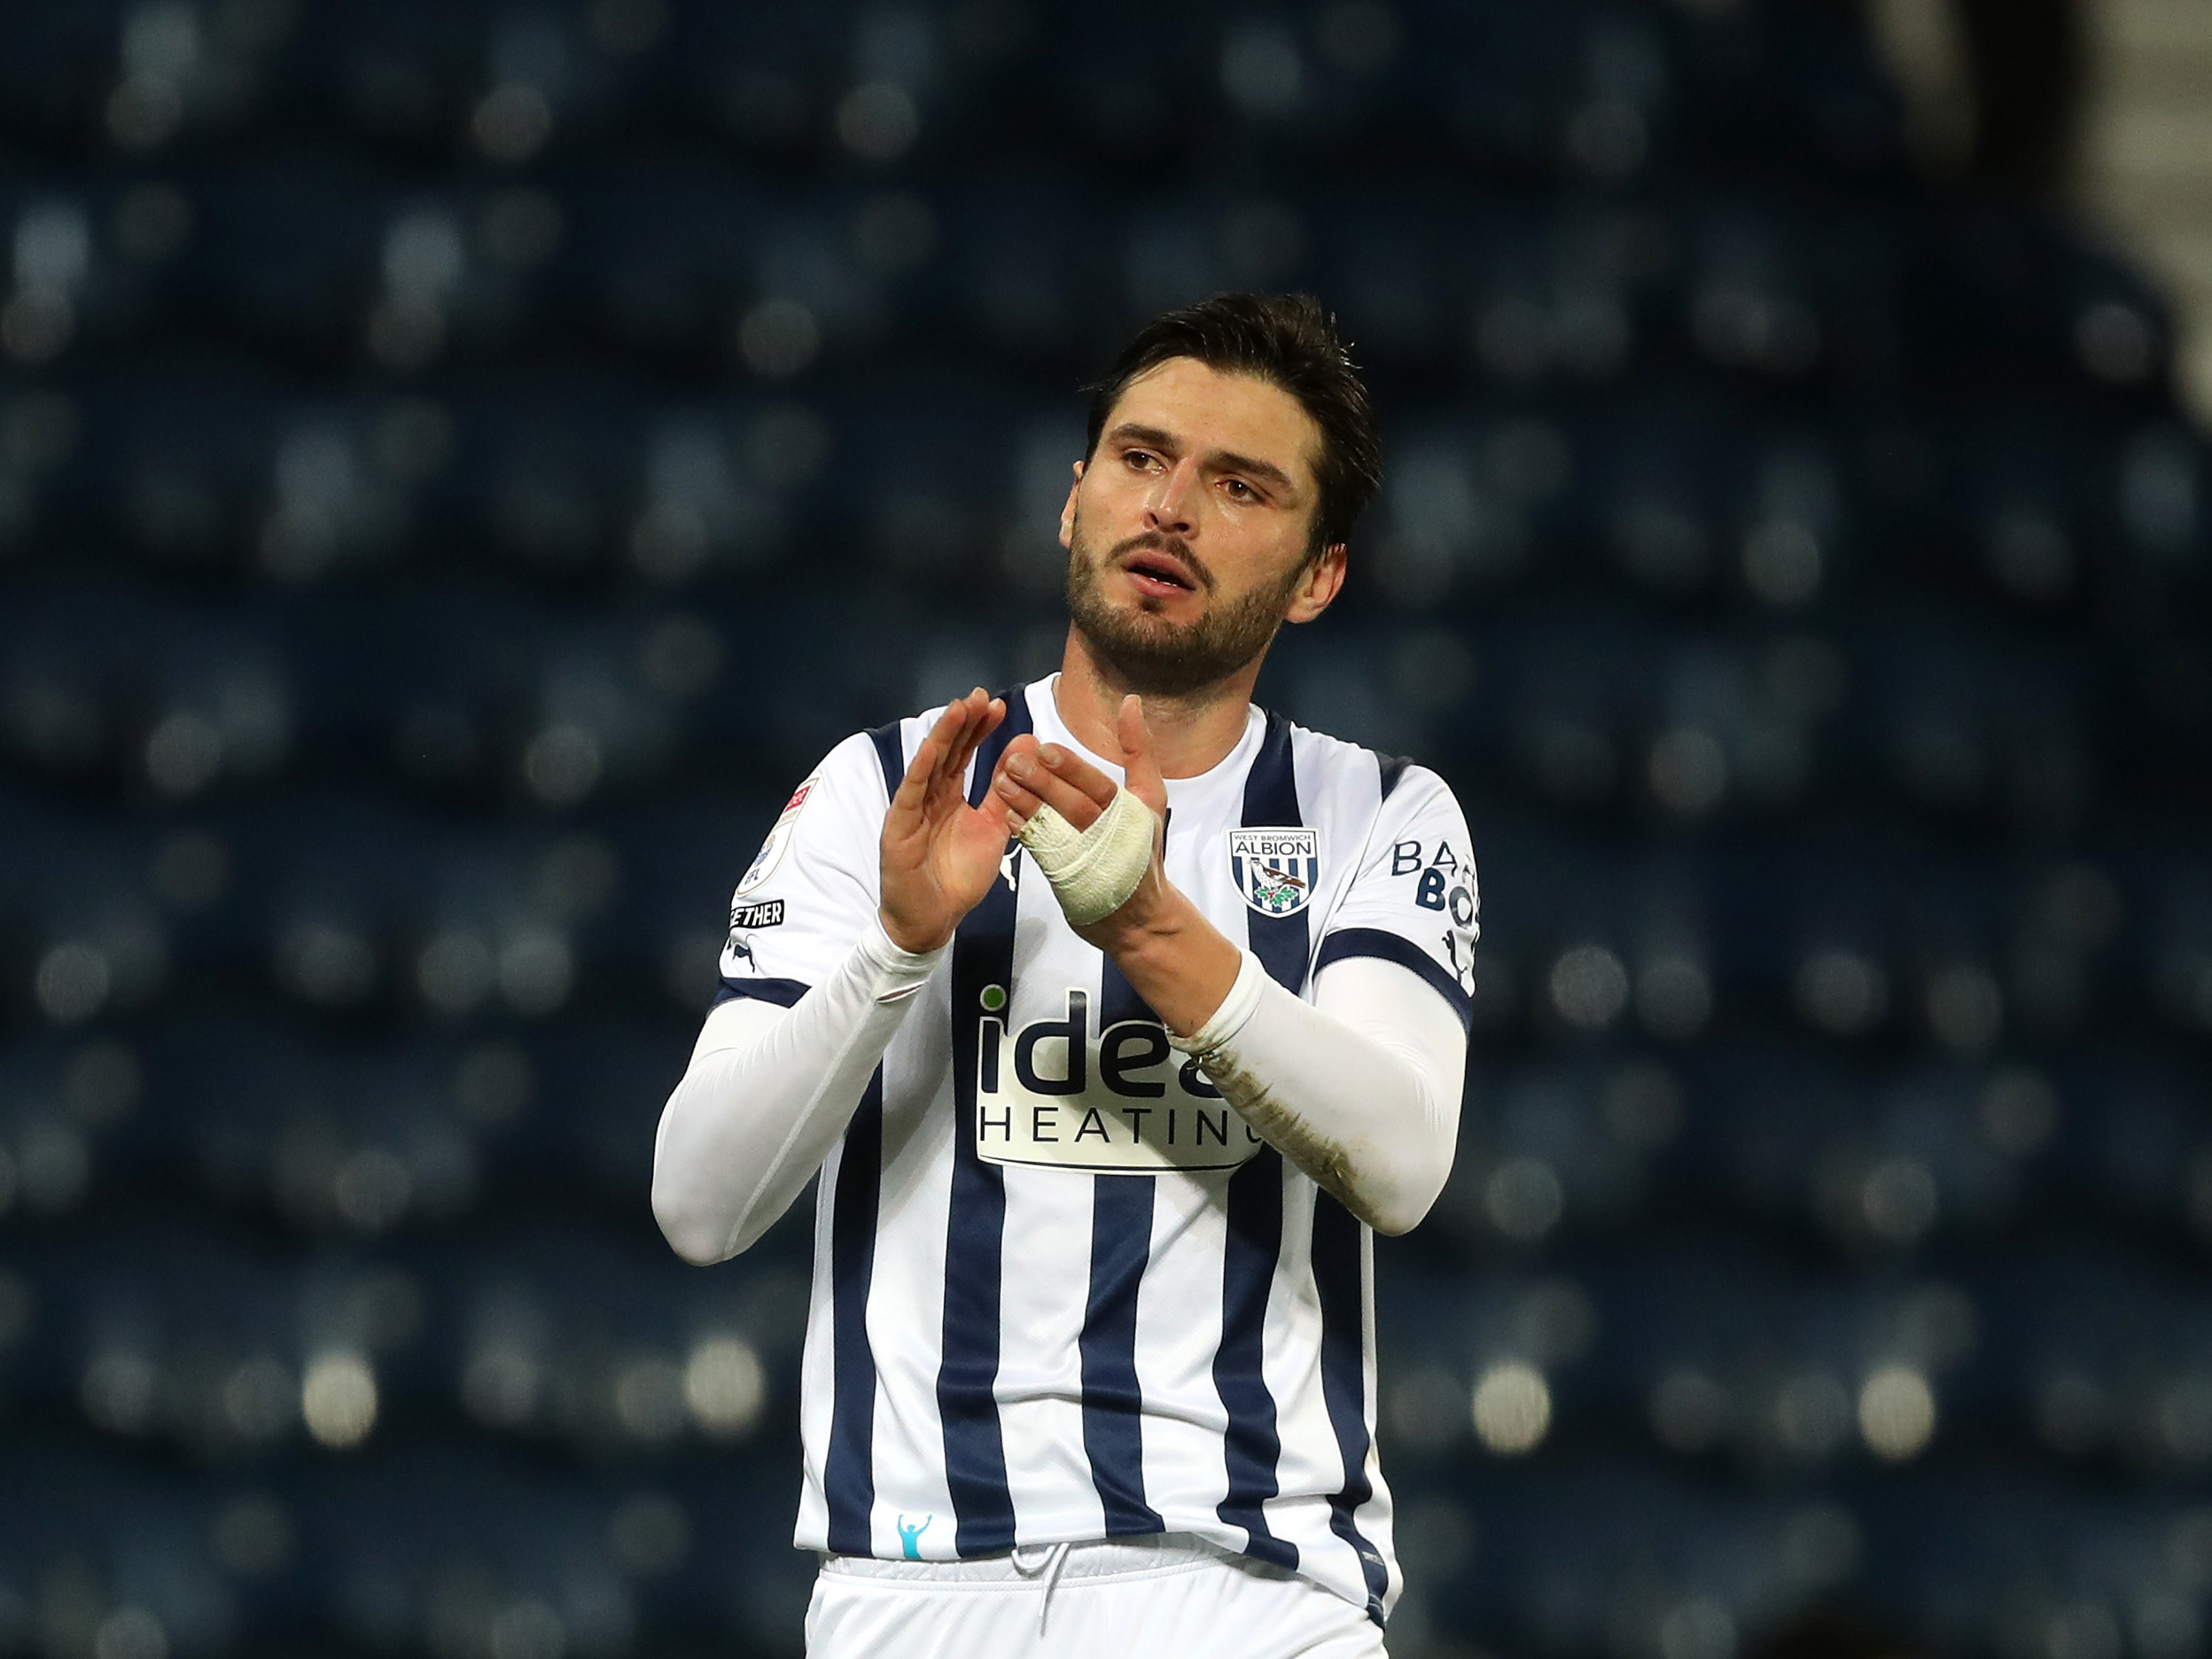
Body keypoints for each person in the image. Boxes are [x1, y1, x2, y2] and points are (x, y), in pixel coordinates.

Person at [651, 292, 1478, 1657]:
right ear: (1071, 498)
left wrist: (1147, 926)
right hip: (915, 1585)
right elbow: (696, 1200)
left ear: (1321, 574)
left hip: (1249, 1591)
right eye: (1141, 459)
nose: (1171, 508)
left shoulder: (1375, 816)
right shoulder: (879, 794)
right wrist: (900, 948)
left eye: (1239, 485)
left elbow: (1398, 1162)